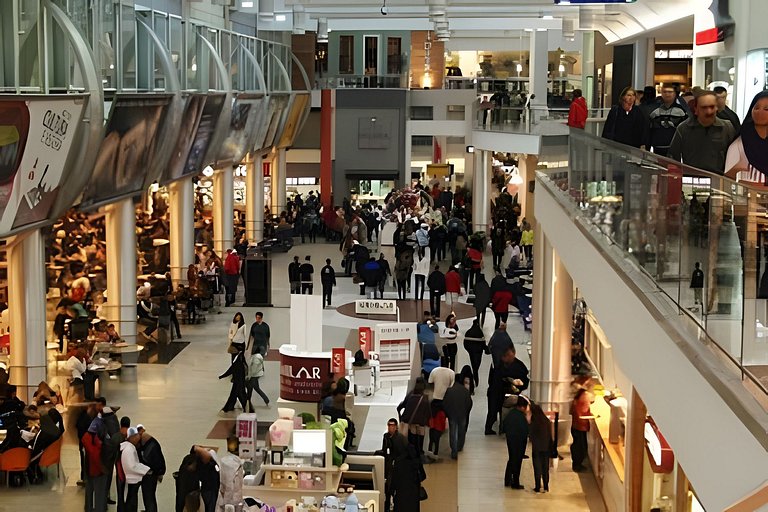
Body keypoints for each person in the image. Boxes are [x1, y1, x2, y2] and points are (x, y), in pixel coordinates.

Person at [669, 90, 736, 173]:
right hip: (691, 180)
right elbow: (673, 157)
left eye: (712, 107)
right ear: (696, 109)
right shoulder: (683, 128)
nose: (708, 111)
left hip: (719, 180)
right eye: (704, 107)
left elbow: (734, 159)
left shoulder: (727, 128)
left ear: (716, 108)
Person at [725, 91, 768, 185]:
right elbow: (727, 180)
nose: (760, 111)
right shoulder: (740, 144)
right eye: (756, 107)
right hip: (747, 196)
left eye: (766, 109)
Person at [374, 418, 409, 512]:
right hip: (388, 466)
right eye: (389, 425)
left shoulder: (401, 438)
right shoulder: (386, 436)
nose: (390, 427)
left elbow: (406, 453)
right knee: (388, 488)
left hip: (397, 466)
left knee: (395, 487)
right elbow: (384, 450)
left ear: (396, 427)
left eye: (392, 425)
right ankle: (387, 506)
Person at [647, 83, 690, 156]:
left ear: (674, 94)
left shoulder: (681, 111)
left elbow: (686, 131)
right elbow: (650, 130)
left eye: (670, 92)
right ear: (661, 93)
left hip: (675, 148)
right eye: (665, 92)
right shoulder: (655, 111)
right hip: (657, 147)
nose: (667, 94)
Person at [397, 378, 431, 456]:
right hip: (421, 422)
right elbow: (428, 411)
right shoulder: (425, 398)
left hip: (411, 420)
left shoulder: (411, 395)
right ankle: (420, 451)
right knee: (421, 435)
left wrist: (400, 413)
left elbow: (404, 405)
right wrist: (428, 420)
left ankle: (413, 451)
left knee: (412, 434)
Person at [501, 395, 529, 489]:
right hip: (519, 442)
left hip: (511, 440)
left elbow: (504, 426)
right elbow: (526, 431)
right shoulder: (521, 417)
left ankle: (507, 479)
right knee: (517, 461)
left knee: (512, 459)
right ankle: (515, 482)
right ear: (522, 407)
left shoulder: (511, 414)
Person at [442, 374, 473, 460]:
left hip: (452, 413)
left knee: (453, 432)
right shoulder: (465, 391)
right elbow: (469, 403)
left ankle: (454, 451)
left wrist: (447, 413)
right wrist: (466, 412)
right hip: (462, 413)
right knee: (461, 431)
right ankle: (460, 446)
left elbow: (444, 402)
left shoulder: (449, 390)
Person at [120, 427, 151, 512]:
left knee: (132, 500)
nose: (139, 437)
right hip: (132, 479)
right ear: (132, 437)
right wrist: (146, 470)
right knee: (131, 502)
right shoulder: (128, 449)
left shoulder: (130, 447)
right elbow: (131, 466)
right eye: (136, 435)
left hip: (133, 479)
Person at [83, 418, 108, 512]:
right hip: (96, 471)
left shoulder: (86, 437)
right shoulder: (95, 441)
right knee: (100, 493)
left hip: (88, 469)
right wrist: (103, 468)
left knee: (89, 490)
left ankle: (88, 508)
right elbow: (96, 455)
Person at [138, 429, 166, 512]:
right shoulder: (152, 444)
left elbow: (154, 463)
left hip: (151, 475)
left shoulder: (149, 448)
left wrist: (159, 473)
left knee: (149, 496)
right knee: (149, 496)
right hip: (154, 472)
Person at [529, 402, 554, 493]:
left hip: (537, 448)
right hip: (546, 447)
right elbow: (550, 435)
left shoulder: (534, 421)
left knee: (537, 467)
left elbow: (531, 435)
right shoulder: (546, 421)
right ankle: (546, 486)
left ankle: (538, 486)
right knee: (545, 467)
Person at [570, 388, 592, 472]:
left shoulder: (579, 395)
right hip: (580, 426)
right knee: (581, 447)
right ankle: (577, 465)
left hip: (575, 425)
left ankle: (576, 464)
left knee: (577, 445)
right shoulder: (585, 396)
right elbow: (584, 411)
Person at [463, 319, 487, 388]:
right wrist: (486, 349)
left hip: (471, 352)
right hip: (478, 352)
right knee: (476, 366)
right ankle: (475, 380)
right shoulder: (480, 332)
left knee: (473, 364)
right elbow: (483, 343)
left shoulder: (468, 332)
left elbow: (465, 343)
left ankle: (474, 379)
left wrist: (468, 350)